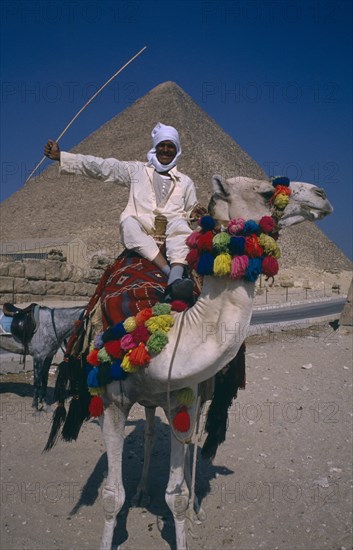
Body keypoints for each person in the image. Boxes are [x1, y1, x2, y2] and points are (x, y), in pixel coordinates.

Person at [44, 122, 206, 301]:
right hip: (142, 227)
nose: (166, 150)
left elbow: (191, 209)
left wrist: (198, 214)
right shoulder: (137, 170)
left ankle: (176, 276)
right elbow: (102, 167)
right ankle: (168, 273)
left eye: (171, 146)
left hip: (172, 230)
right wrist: (61, 157)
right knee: (128, 223)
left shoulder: (185, 182)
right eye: (162, 146)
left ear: (177, 150)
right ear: (155, 147)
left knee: (180, 225)